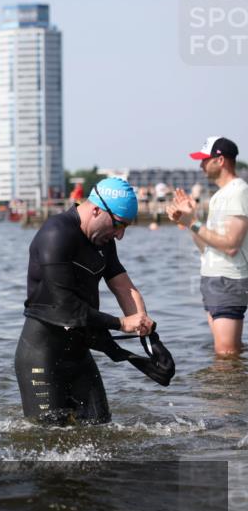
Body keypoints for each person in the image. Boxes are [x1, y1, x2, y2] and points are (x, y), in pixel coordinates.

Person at [15, 177, 155, 425]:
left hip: (78, 352)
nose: (120, 235)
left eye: (125, 228)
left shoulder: (104, 240)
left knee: (100, 429)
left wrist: (143, 326)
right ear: (97, 209)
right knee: (50, 442)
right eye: (119, 225)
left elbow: (123, 286)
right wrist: (121, 323)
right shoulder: (56, 233)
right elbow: (66, 306)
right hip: (42, 354)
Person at [168, 136, 248, 356]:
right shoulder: (218, 197)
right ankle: (226, 389)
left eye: (205, 159)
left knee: (226, 354)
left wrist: (192, 222)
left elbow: (231, 245)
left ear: (220, 160)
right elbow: (207, 247)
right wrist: (190, 219)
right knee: (226, 353)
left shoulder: (238, 192)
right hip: (212, 278)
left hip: (229, 279)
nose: (201, 164)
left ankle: (228, 391)